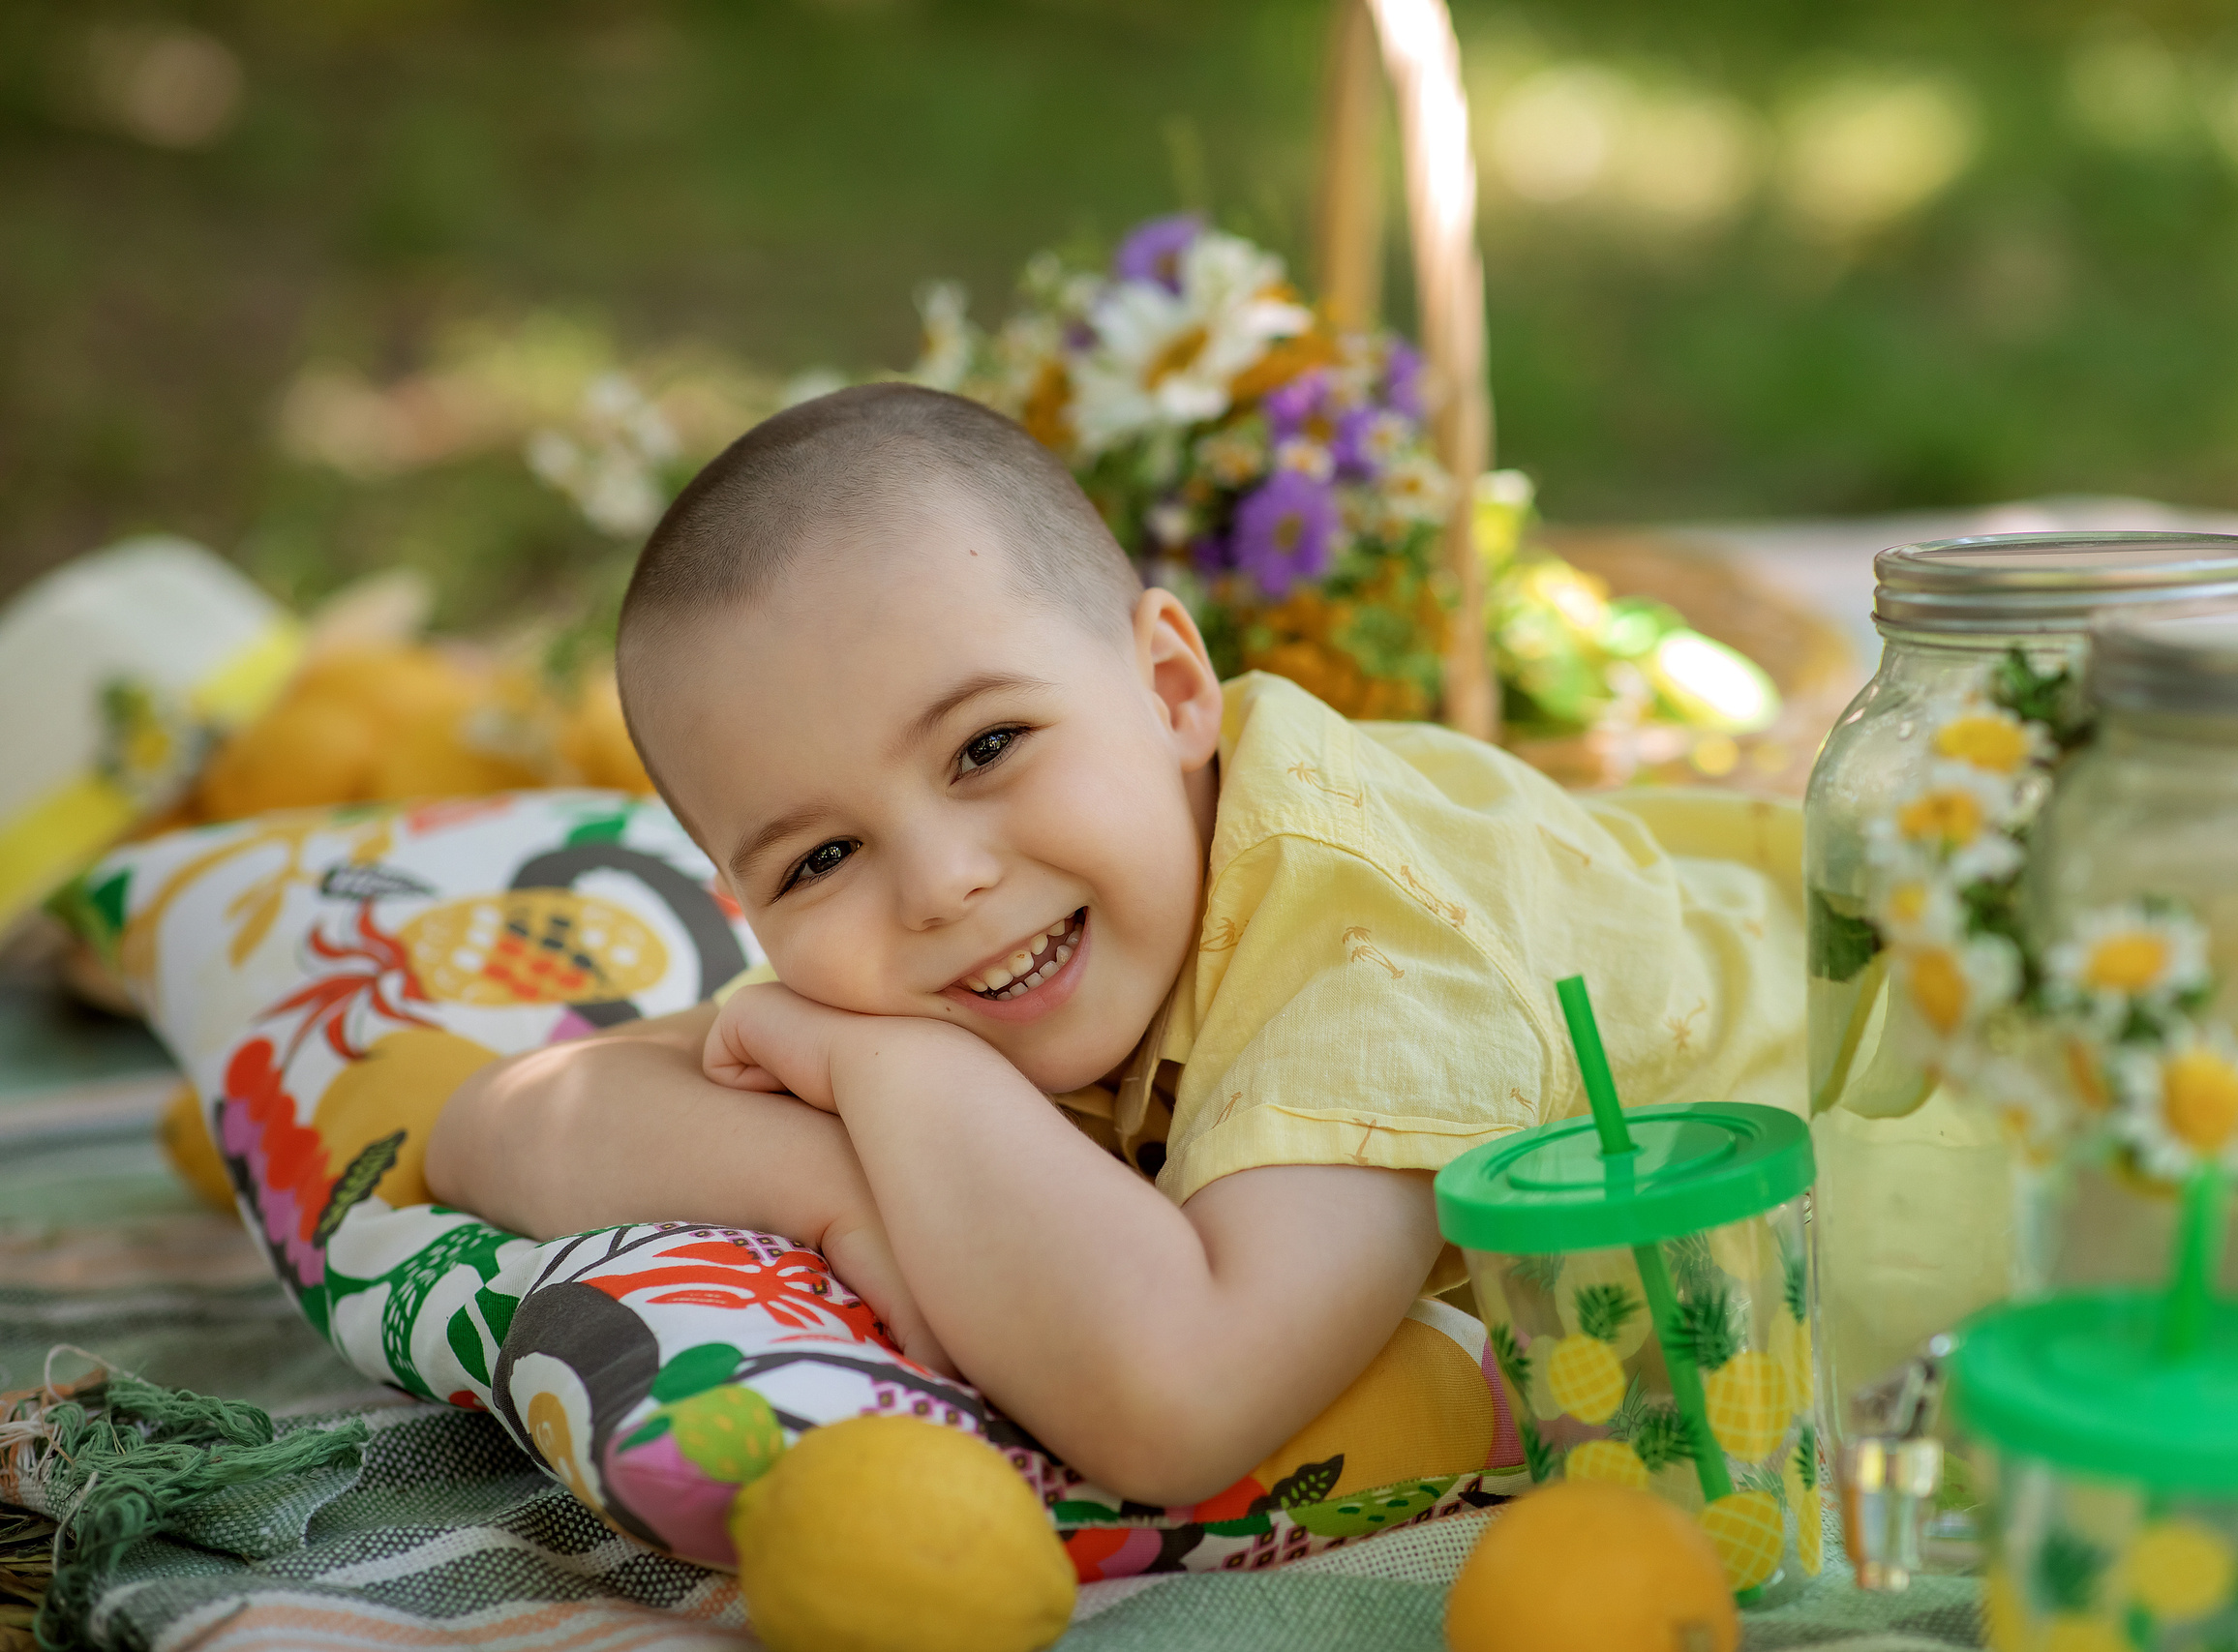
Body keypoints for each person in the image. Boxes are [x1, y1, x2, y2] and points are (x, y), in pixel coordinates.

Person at [425, 382, 1803, 1507]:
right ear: (749, 905)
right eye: (821, 858)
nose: (944, 884)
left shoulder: (1378, 932)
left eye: (987, 746)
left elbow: (1180, 1402)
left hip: (1925, 1084)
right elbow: (494, 1129)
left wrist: (915, 1091)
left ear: (1169, 689)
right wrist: (835, 1181)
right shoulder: (924, 973)